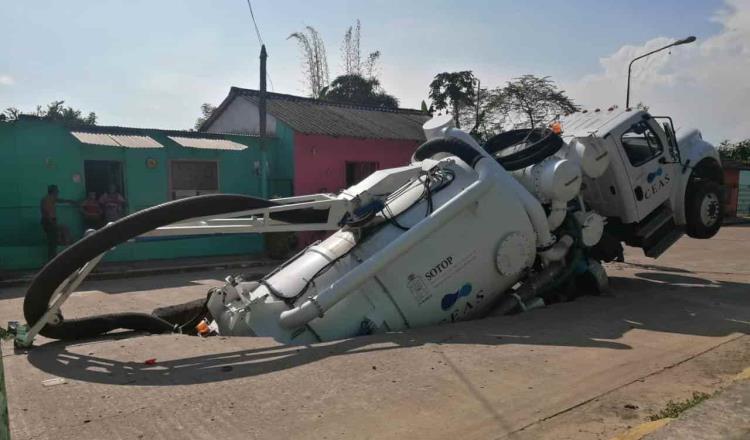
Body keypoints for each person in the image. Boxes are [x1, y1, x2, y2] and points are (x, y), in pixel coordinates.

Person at [40, 185, 74, 260]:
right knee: (52, 241)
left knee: (53, 241)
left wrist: (69, 201)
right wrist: (51, 221)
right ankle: (51, 260)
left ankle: (52, 259)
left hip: (50, 220)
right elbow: (46, 211)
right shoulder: (47, 199)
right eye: (57, 191)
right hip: (49, 221)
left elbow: (60, 200)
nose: (58, 193)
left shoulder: (51, 199)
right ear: (54, 191)